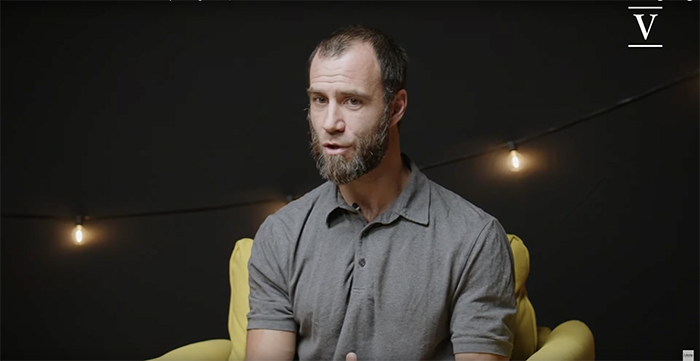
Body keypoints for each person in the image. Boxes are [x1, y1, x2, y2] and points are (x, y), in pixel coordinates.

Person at [245, 25, 516, 361]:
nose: (330, 122)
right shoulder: (281, 234)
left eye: (352, 101)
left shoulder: (474, 238)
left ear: (396, 107)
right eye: (319, 100)